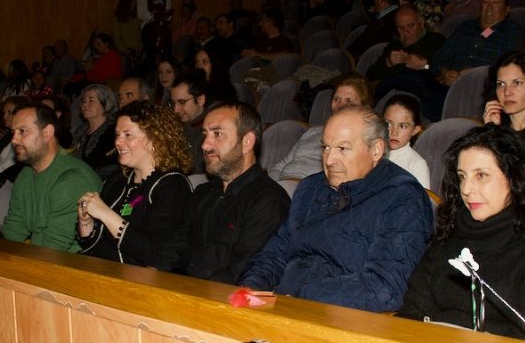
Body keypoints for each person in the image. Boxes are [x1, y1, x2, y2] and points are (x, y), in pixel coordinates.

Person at [397, 125, 525, 343]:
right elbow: (413, 311)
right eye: (462, 176)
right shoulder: (450, 233)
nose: (466, 189)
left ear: (515, 179)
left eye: (481, 176)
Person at [238, 106, 433, 312]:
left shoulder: (402, 198)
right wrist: (250, 289)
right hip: (285, 306)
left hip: (341, 320)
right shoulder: (310, 188)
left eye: (342, 149)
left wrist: (295, 295)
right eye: (325, 148)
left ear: (376, 150)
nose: (329, 160)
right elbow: (273, 255)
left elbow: (384, 289)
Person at [77, 101, 193, 270]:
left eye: (128, 135)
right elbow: (91, 244)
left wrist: (106, 214)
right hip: (100, 271)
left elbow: (154, 252)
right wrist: (85, 221)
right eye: (117, 134)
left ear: (155, 139)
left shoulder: (172, 185)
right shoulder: (118, 180)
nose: (118, 141)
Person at [184, 101, 291, 284]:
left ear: (247, 142)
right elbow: (175, 249)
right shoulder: (202, 193)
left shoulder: (268, 201)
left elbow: (241, 274)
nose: (205, 145)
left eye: (217, 134)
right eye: (205, 135)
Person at [2, 103, 102, 251]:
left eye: (22, 131)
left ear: (47, 133)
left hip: (71, 266)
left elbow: (54, 248)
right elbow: (12, 231)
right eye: (13, 132)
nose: (14, 140)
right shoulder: (26, 175)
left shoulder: (73, 180)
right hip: (40, 257)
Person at [269, 73, 371, 181]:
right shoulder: (314, 131)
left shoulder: (362, 139)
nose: (341, 105)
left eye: (349, 100)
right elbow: (281, 165)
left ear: (364, 107)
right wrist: (274, 186)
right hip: (282, 187)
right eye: (336, 99)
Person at [431, 0, 523, 87]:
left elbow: (511, 66)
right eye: (485, 1)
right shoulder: (465, 27)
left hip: (485, 88)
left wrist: (479, 74)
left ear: (506, 10)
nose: (489, 6)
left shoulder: (511, 30)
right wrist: (445, 73)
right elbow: (440, 56)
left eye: (496, 2)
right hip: (453, 87)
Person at [381, 94, 430, 187]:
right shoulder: (371, 153)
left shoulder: (417, 165)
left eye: (403, 126)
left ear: (415, 130)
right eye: (388, 124)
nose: (394, 133)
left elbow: (421, 200)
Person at [72, 84, 119, 178]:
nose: (85, 104)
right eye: (84, 101)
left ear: (105, 103)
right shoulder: (81, 130)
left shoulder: (112, 132)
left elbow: (106, 167)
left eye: (91, 100)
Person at [170, 76, 209, 174]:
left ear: (200, 100)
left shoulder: (212, 130)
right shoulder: (177, 126)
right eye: (173, 103)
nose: (176, 110)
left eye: (182, 102)